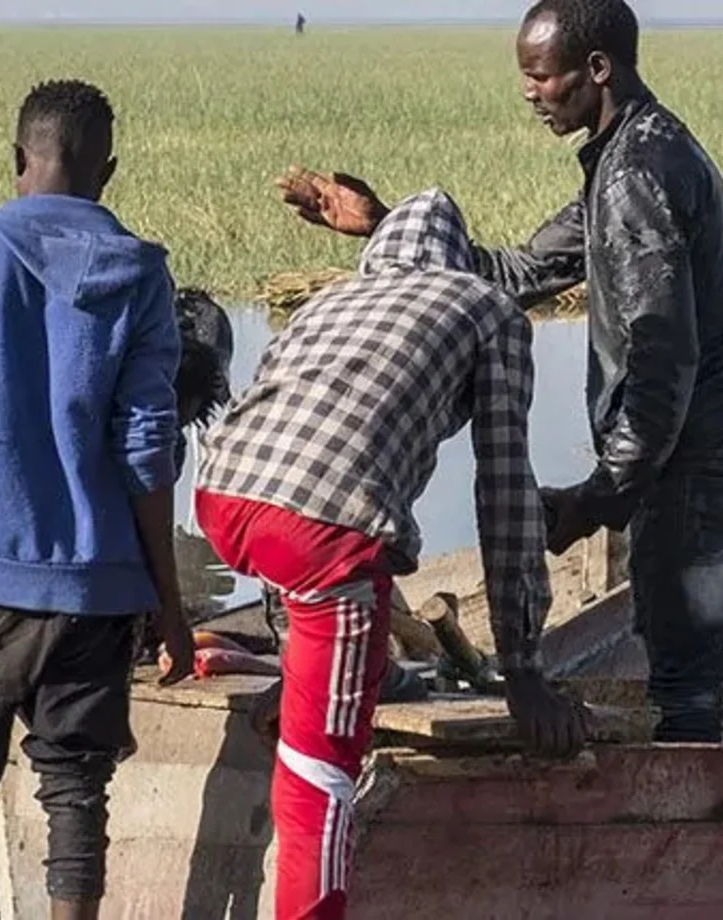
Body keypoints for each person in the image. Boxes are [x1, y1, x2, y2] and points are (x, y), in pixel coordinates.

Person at [274, 0, 723, 744]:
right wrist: (388, 222)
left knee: (683, 697)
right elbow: (516, 269)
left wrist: (603, 496)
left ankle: (680, 854)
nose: (528, 91)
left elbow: (658, 358)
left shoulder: (632, 179)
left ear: (597, 70)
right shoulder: (643, 155)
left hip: (704, 475)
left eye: (541, 75)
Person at [194, 187, 582, 919]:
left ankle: (332, 674)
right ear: (462, 259)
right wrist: (523, 666)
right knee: (320, 779)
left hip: (222, 498)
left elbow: (275, 416)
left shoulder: (329, 302)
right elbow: (502, 492)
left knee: (331, 582)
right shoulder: (488, 309)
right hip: (324, 535)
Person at [0, 79, 194, 920]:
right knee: (76, 791)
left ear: (18, 161)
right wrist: (169, 606)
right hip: (97, 587)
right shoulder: (141, 274)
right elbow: (146, 452)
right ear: (110, 173)